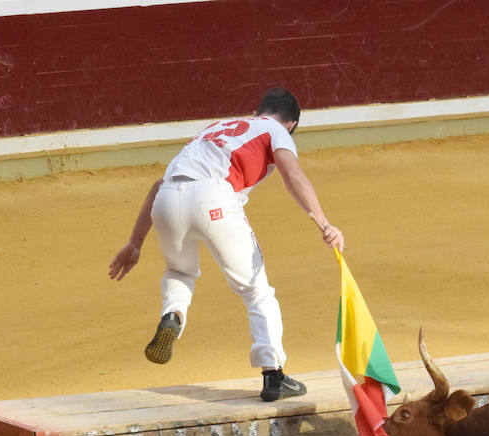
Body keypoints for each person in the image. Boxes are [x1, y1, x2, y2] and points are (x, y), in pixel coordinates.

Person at [108, 87, 344, 401]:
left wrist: (135, 243)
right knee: (256, 291)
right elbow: (293, 176)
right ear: (292, 124)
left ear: (258, 109)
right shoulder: (276, 130)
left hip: (167, 200)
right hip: (215, 198)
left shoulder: (215, 129)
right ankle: (273, 375)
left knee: (179, 271)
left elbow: (157, 185)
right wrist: (324, 222)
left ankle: (173, 314)